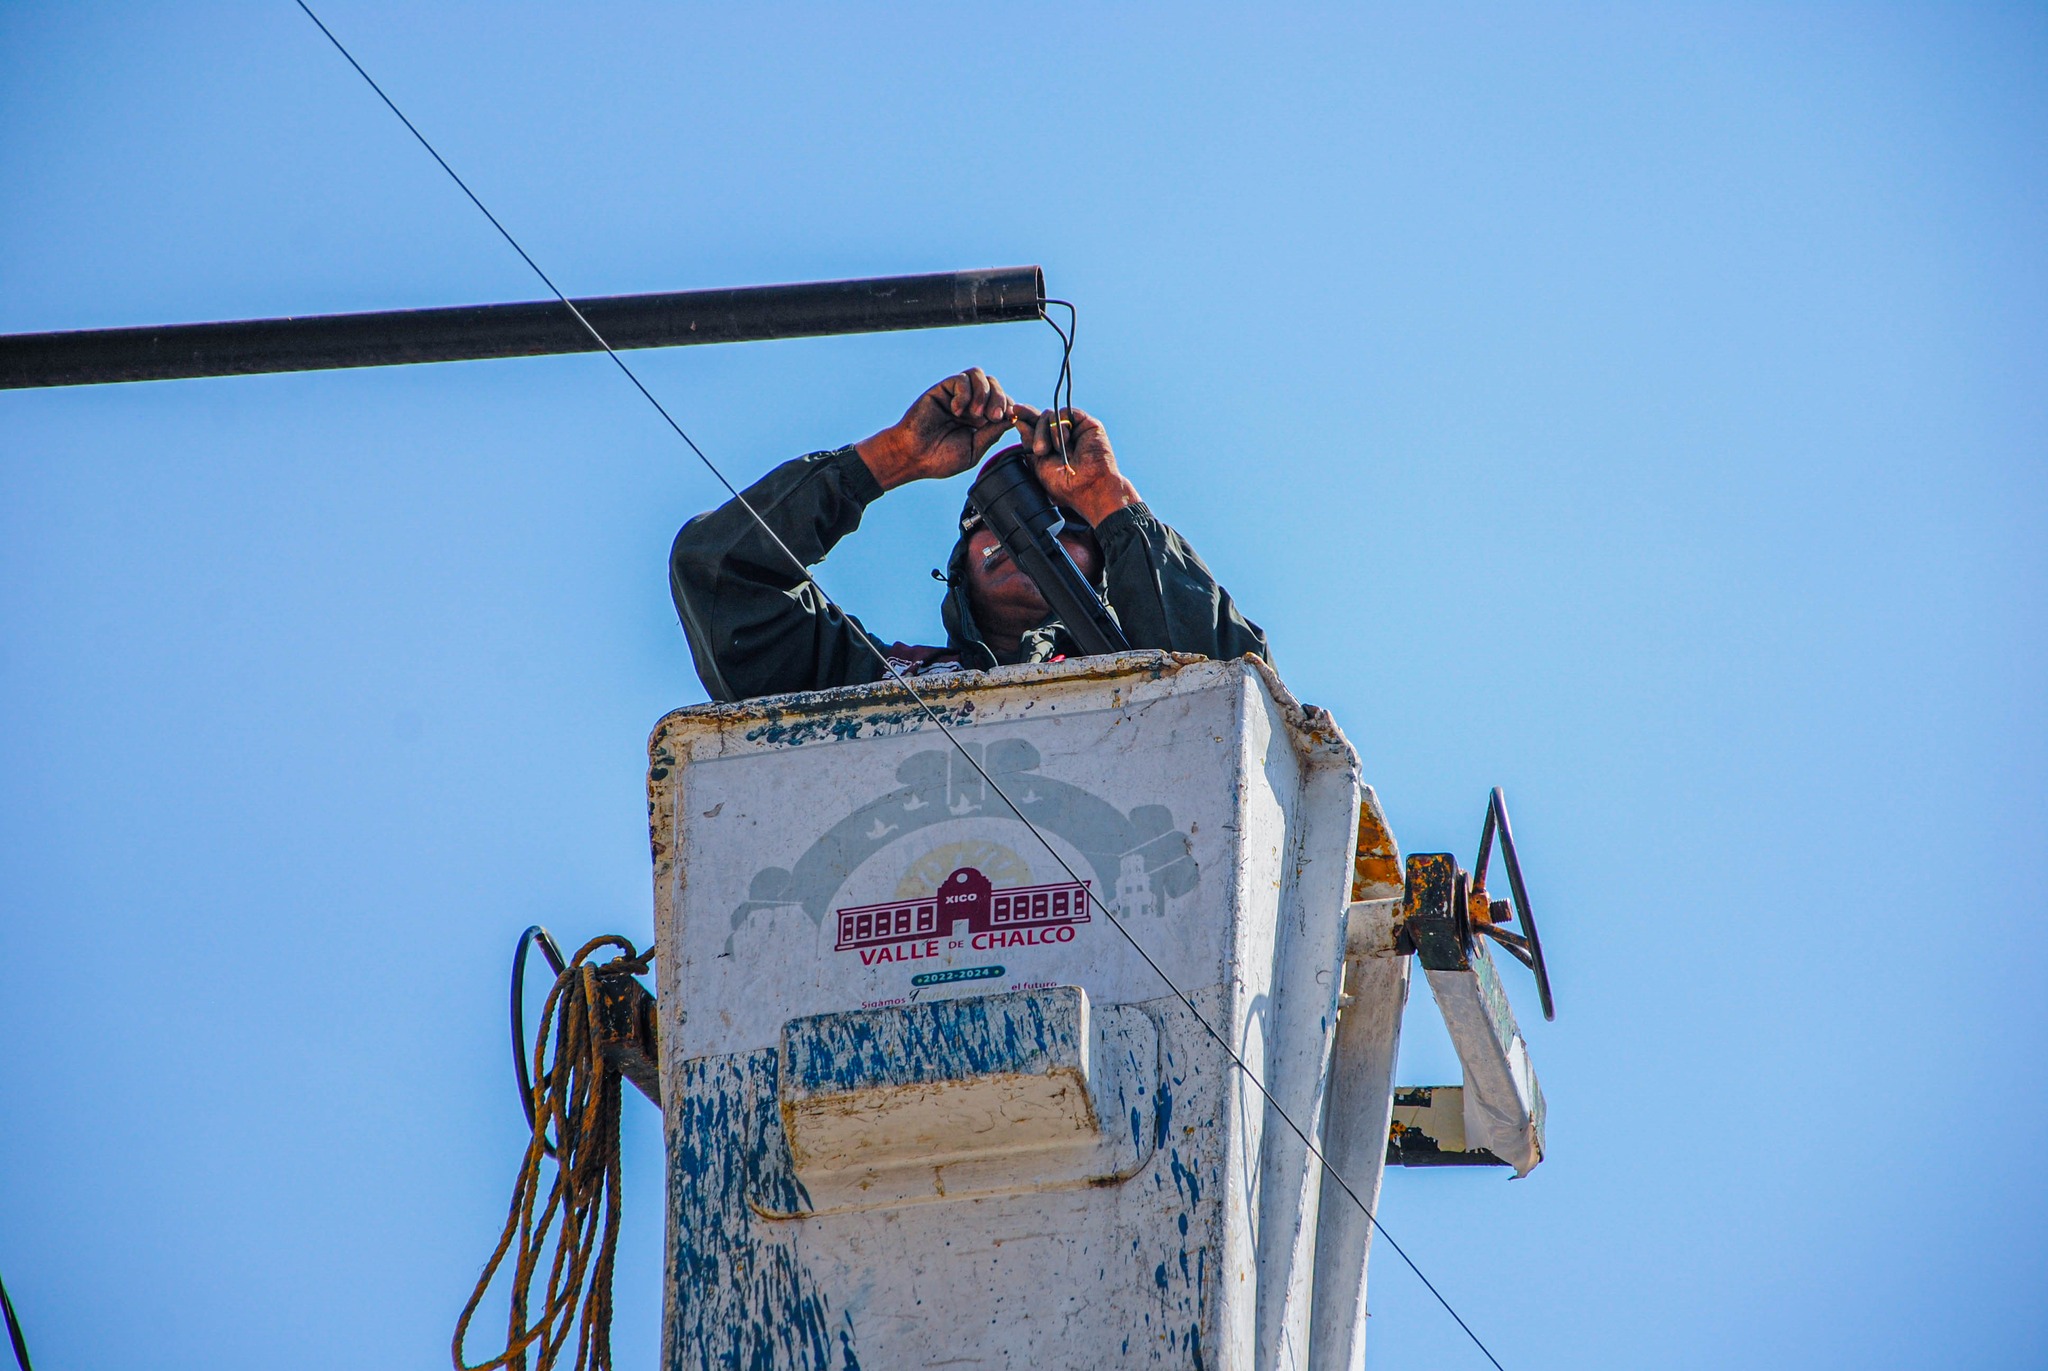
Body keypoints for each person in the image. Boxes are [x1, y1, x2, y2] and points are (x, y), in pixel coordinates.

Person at [670, 369, 1268, 702]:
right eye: (998, 519)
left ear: (1105, 566)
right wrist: (895, 456)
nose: (1031, 533)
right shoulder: (868, 682)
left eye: (1069, 524)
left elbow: (1236, 692)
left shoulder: (1146, 685)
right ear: (960, 561)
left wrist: (1109, 497)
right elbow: (720, 572)